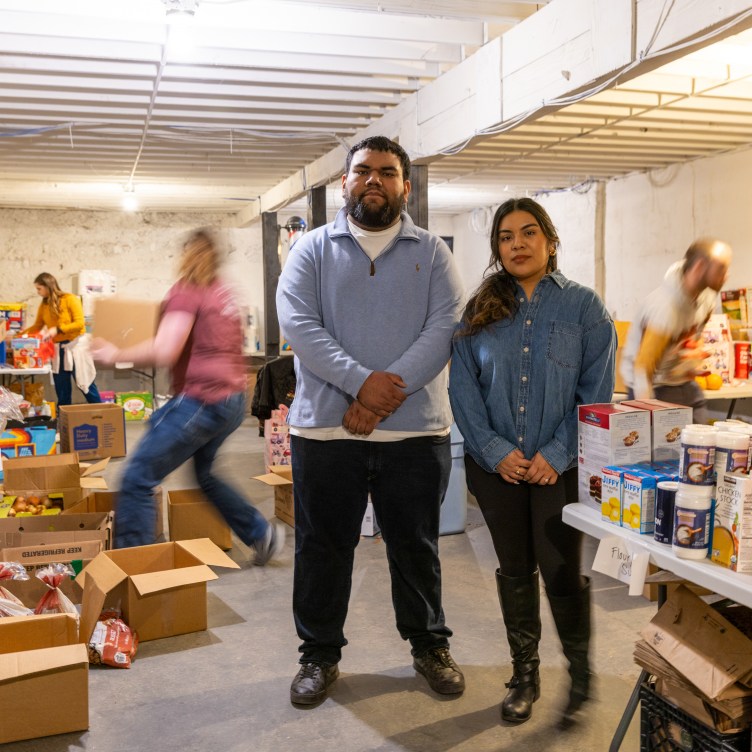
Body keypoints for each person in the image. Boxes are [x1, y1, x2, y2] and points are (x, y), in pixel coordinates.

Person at [276, 135, 465, 706]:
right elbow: (300, 326)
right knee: (323, 548)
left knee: (416, 547)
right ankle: (318, 656)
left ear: (405, 186)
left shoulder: (432, 253)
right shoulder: (310, 249)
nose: (375, 180)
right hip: (327, 434)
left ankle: (429, 646)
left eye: (387, 172)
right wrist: (362, 383)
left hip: (414, 433)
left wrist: (379, 397)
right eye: (363, 171)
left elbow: (444, 329)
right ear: (345, 183)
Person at [448, 197, 616, 728]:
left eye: (528, 233)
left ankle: (581, 675)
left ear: (549, 239)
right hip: (495, 468)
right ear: (497, 247)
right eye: (505, 236)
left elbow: (596, 396)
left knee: (563, 570)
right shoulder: (478, 310)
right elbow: (462, 389)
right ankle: (525, 676)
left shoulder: (585, 307)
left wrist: (555, 454)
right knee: (514, 568)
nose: (517, 244)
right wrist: (497, 452)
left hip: (558, 469)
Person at [91, 229, 284, 564]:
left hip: (203, 402)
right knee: (205, 475)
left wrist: (114, 353)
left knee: (137, 476)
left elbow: (166, 348)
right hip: (232, 400)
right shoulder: (222, 293)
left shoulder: (187, 290)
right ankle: (261, 534)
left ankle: (131, 569)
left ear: (186, 255)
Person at [621, 237, 732, 424]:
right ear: (699, 267)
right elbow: (643, 369)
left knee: (702, 442)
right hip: (650, 387)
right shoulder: (664, 309)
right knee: (664, 449)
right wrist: (648, 416)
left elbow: (692, 338)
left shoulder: (707, 299)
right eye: (721, 268)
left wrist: (691, 357)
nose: (727, 275)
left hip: (682, 383)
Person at [25, 272, 102, 406]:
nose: (37, 292)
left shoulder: (70, 299)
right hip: (58, 348)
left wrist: (58, 329)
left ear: (48, 286)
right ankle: (64, 418)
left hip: (76, 346)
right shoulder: (44, 305)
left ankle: (102, 413)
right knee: (61, 388)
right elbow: (37, 326)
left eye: (39, 288)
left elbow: (79, 324)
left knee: (86, 384)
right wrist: (18, 336)